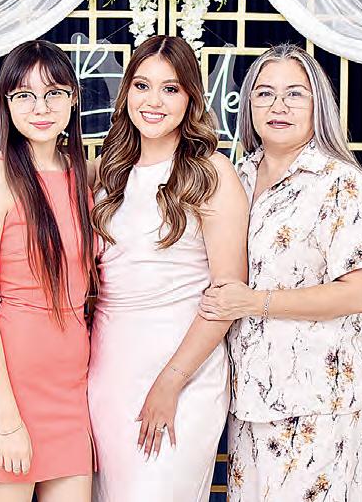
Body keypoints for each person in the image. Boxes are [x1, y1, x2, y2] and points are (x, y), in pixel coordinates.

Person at [199, 43, 362, 502]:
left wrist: (255, 302)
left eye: (295, 94)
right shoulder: (235, 177)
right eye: (264, 93)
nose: (278, 106)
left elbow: (358, 293)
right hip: (248, 397)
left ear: (318, 104)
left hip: (318, 398)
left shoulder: (340, 182)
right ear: (248, 104)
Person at [88, 35, 249, 502]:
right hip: (109, 369)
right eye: (142, 85)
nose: (153, 101)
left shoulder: (212, 173)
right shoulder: (107, 172)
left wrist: (170, 382)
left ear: (191, 98)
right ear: (126, 93)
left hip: (183, 372)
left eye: (170, 88)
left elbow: (227, 295)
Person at [0, 40, 95, 502]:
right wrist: (6, 419)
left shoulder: (82, 174)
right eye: (25, 95)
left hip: (71, 392)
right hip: (8, 389)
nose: (41, 107)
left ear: (73, 99)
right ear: (7, 104)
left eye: (54, 93)